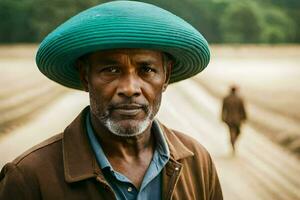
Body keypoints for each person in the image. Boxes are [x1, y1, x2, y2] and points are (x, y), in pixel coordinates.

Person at [0, 1, 223, 199]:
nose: (129, 89)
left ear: (166, 76)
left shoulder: (197, 163)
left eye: (146, 69)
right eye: (111, 69)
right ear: (85, 77)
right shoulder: (29, 178)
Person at [222, 85, 247, 153]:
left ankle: (232, 141)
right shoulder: (239, 99)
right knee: (238, 132)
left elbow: (223, 109)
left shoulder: (226, 98)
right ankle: (233, 142)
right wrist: (245, 118)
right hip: (237, 119)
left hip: (228, 119)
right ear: (235, 90)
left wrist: (222, 117)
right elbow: (243, 109)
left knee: (231, 132)